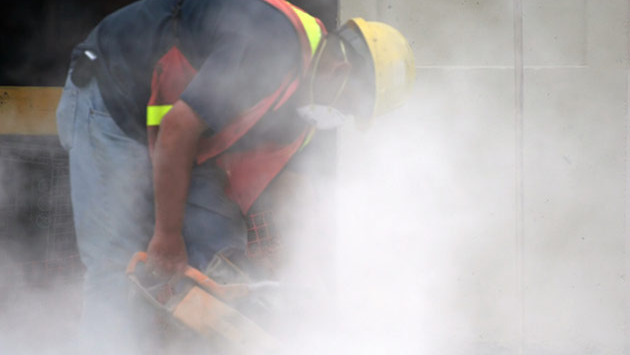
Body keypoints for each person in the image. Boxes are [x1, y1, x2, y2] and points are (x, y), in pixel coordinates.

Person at [56, 0, 415, 352]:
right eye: (349, 107)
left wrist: (306, 273)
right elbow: (178, 129)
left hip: (178, 138)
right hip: (111, 99)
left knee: (221, 268)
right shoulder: (269, 47)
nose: (342, 117)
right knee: (115, 267)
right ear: (341, 73)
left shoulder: (302, 99)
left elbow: (290, 190)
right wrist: (167, 237)